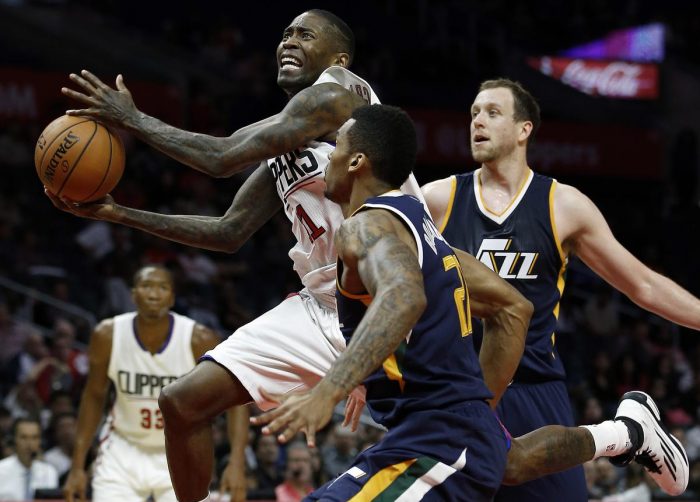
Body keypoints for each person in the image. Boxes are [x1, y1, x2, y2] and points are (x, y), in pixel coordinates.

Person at [48, 9, 423, 502]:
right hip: (319, 306)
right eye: (285, 33)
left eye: (304, 35)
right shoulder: (289, 134)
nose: (288, 41)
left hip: (387, 302)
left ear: (339, 58)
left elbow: (221, 159)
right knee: (182, 403)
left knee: (450, 451)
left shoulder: (336, 97)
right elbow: (228, 231)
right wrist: (118, 213)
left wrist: (132, 120)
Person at [252, 105, 688, 499]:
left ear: (356, 161)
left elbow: (404, 298)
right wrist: (478, 412)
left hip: (435, 443)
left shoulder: (364, 229)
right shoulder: (420, 224)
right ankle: (626, 432)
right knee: (510, 460)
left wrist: (330, 389)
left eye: (336, 149)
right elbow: (512, 307)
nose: (327, 158)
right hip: (441, 431)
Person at [421, 78, 700, 502]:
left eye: (492, 112)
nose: (477, 121)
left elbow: (641, 283)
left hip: (535, 388)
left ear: (523, 129)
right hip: (461, 387)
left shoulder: (562, 204)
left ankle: (632, 432)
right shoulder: (437, 199)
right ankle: (626, 433)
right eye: (474, 113)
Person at [62, 265, 225, 502]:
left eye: (162, 287)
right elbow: (94, 397)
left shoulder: (198, 338)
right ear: (133, 294)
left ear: (172, 297)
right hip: (122, 450)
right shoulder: (107, 334)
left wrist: (237, 463)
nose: (153, 294)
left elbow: (234, 402)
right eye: (146, 286)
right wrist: (77, 466)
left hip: (180, 449)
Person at [0, 417, 59, 500]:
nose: (29, 443)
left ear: (40, 441)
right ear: (14, 439)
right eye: (24, 437)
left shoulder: (49, 472)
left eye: (34, 437)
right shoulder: (1, 470)